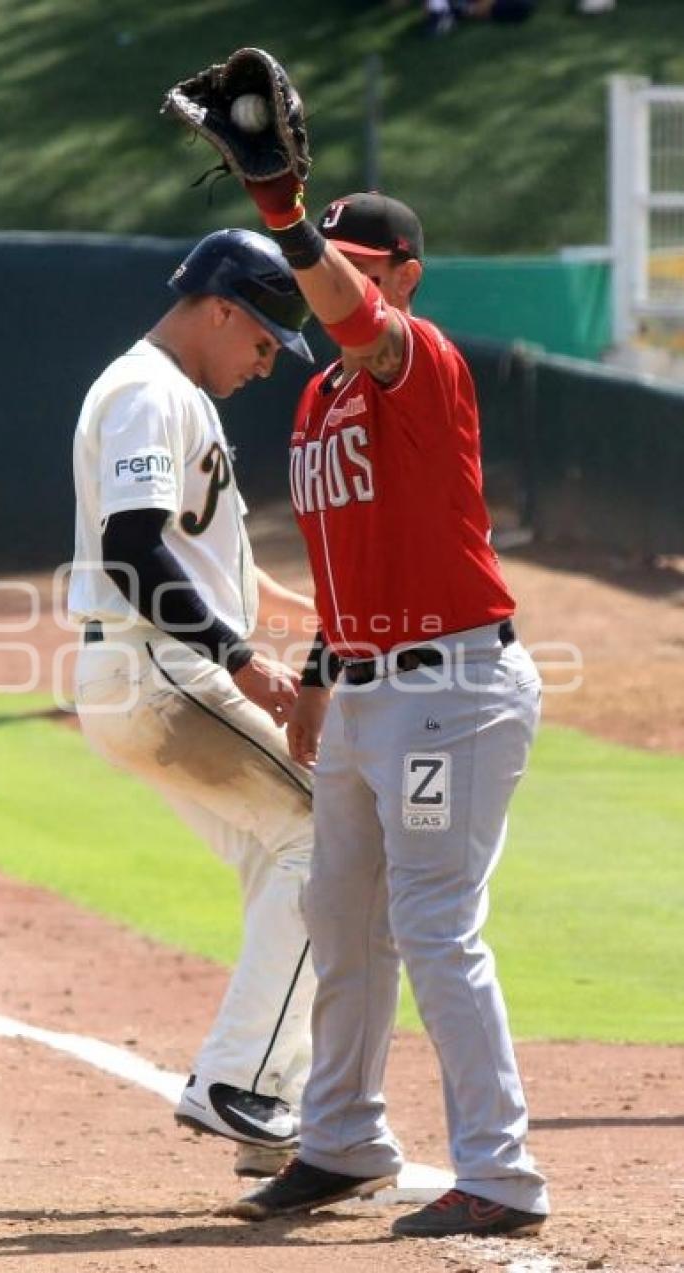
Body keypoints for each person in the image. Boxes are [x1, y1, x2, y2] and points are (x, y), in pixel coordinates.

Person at [199, 78, 550, 1236]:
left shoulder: (415, 362)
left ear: (403, 274)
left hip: (452, 690)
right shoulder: (314, 400)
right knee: (338, 916)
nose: (327, 274)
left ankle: (499, 1176)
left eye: (353, 259)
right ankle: (342, 1140)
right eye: (320, 253)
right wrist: (317, 672)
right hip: (362, 693)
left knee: (434, 922)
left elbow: (355, 318)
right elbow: (346, 549)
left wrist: (288, 218)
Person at [67, 228, 318, 1180]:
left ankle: (266, 1103)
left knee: (283, 854)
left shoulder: (172, 395)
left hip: (154, 671)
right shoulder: (146, 390)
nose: (266, 363)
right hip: (161, 674)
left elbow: (195, 550)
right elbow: (134, 550)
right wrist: (245, 661)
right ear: (221, 307)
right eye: (263, 340)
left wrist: (287, 609)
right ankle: (239, 1083)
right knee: (332, 830)